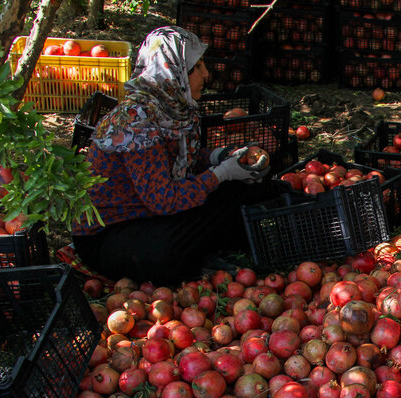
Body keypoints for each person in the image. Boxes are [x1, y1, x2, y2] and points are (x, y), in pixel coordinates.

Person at [72, 26, 269, 285]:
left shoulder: (172, 108)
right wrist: (220, 174)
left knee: (237, 189)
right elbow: (163, 200)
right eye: (197, 67)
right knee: (163, 254)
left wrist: (219, 158)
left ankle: (200, 251)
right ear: (173, 73)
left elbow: (182, 157)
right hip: (109, 234)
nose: (206, 74)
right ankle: (194, 257)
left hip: (147, 216)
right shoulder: (136, 123)